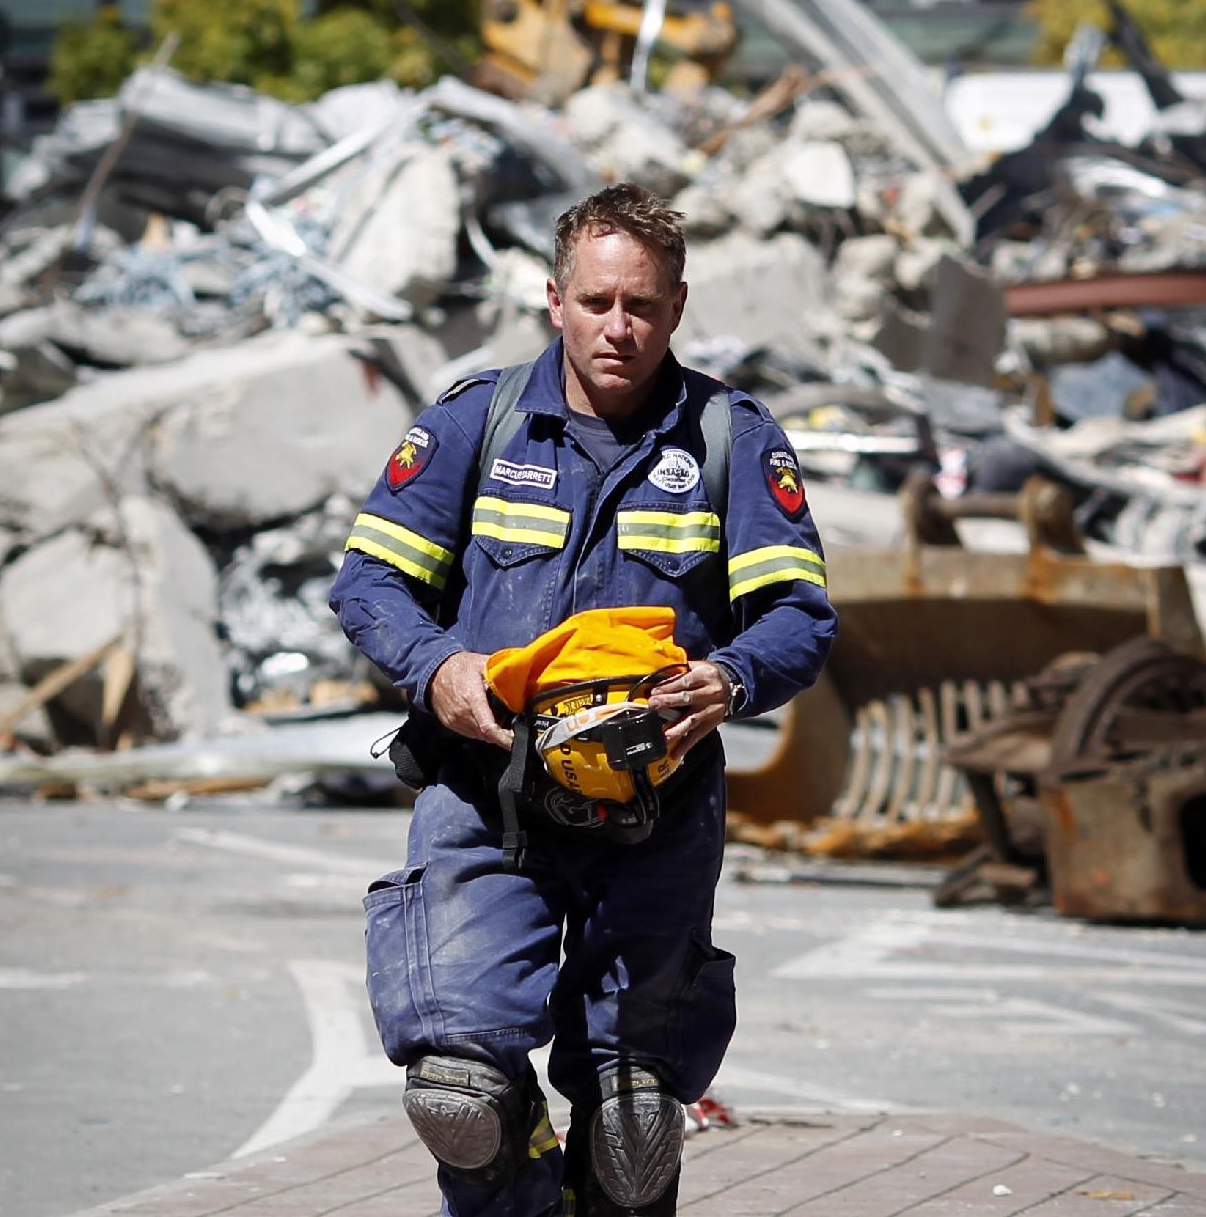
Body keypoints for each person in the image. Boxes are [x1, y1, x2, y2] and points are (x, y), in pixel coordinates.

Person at [329, 183, 836, 1217]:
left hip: (655, 817)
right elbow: (368, 581)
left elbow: (799, 617)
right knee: (459, 1095)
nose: (618, 327)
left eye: (641, 305)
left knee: (634, 1126)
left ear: (677, 306)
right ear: (552, 300)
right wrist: (436, 667)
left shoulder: (729, 439)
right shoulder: (480, 421)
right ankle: (519, 1193)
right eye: (596, 301)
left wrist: (729, 677)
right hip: (487, 801)